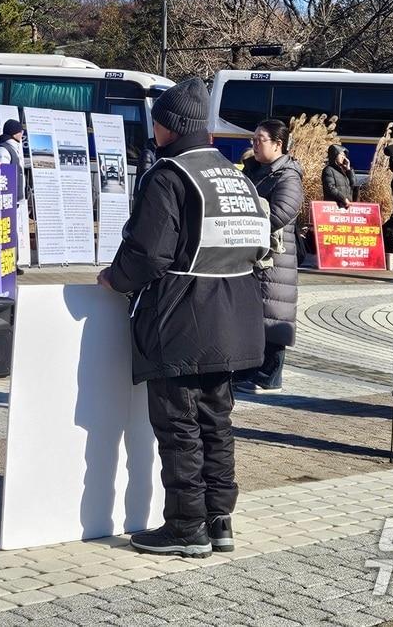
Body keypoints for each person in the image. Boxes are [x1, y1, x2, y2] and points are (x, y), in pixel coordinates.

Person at [99, 77, 271, 558]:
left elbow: (148, 253)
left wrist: (115, 278)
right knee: (217, 422)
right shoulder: (234, 175)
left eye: (157, 119)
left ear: (169, 125)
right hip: (235, 318)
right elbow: (259, 245)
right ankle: (220, 521)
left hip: (180, 317)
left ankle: (185, 527)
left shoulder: (170, 175)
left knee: (179, 427)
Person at [235, 120, 303, 394]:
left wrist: (247, 225)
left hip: (275, 258)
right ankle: (250, 371)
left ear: (278, 144)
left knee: (273, 313)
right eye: (253, 139)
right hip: (254, 254)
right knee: (255, 313)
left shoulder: (288, 176)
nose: (254, 144)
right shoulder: (255, 171)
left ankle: (269, 375)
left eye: (259, 139)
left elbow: (281, 213)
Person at [0, 119, 28, 202]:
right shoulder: (3, 149)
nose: (22, 134)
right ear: (14, 133)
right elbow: (2, 175)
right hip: (8, 200)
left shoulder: (13, 148)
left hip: (13, 198)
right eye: (21, 131)